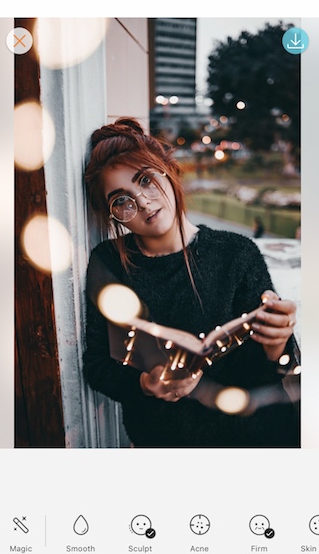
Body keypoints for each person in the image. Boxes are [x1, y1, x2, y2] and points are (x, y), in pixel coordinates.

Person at [83, 118, 299, 448]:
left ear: (169, 171)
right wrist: (144, 383)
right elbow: (97, 366)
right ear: (111, 215)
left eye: (146, 180)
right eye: (121, 201)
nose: (142, 202)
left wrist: (276, 345)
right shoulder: (108, 263)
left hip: (252, 438)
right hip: (163, 443)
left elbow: (272, 373)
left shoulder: (236, 253)